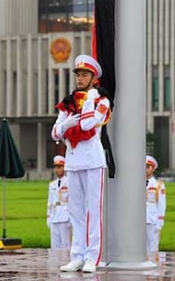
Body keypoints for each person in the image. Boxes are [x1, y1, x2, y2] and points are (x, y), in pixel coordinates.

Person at [51, 54, 111, 273]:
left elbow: (87, 125)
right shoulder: (67, 104)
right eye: (78, 74)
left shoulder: (101, 100)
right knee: (75, 210)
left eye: (85, 75)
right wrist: (66, 123)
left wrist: (88, 100)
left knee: (93, 211)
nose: (80, 78)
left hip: (93, 160)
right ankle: (77, 255)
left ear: (94, 79)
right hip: (73, 160)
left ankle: (92, 257)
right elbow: (55, 132)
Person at [47, 155, 71, 250]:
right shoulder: (52, 185)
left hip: (65, 216)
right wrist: (48, 218)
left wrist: (71, 218)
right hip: (54, 216)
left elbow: (72, 201)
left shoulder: (69, 182)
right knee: (54, 244)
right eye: (56, 167)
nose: (57, 170)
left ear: (64, 168)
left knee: (65, 244)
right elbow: (50, 202)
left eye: (59, 167)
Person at [145, 155, 166, 253]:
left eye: (148, 167)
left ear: (153, 169)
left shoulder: (158, 185)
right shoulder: (136, 183)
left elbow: (162, 204)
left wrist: (160, 222)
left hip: (152, 219)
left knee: (153, 245)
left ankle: (153, 264)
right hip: (139, 220)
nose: (145, 169)